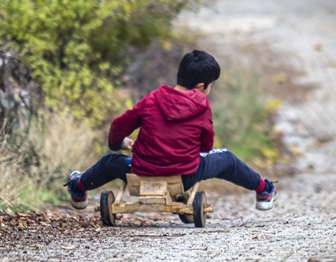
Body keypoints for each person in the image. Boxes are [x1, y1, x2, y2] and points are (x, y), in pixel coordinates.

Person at [66, 50, 278, 211]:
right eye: (211, 86)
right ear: (202, 85)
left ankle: (78, 188)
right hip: (185, 176)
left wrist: (119, 144)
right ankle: (263, 190)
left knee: (108, 162)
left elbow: (118, 127)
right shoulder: (202, 107)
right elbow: (206, 147)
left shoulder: (152, 99)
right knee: (227, 159)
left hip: (140, 172)